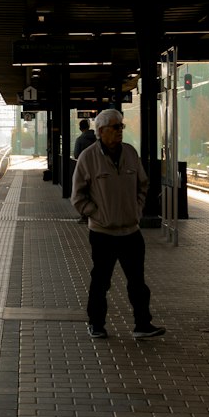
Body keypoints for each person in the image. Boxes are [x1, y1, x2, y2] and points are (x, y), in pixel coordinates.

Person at [71, 108, 165, 340]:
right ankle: (97, 324)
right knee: (101, 281)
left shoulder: (131, 154)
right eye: (115, 127)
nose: (120, 131)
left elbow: (143, 185)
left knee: (138, 283)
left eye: (121, 127)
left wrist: (137, 209)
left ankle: (143, 324)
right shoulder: (88, 158)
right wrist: (97, 214)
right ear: (101, 131)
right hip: (102, 233)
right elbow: (78, 197)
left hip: (131, 231)